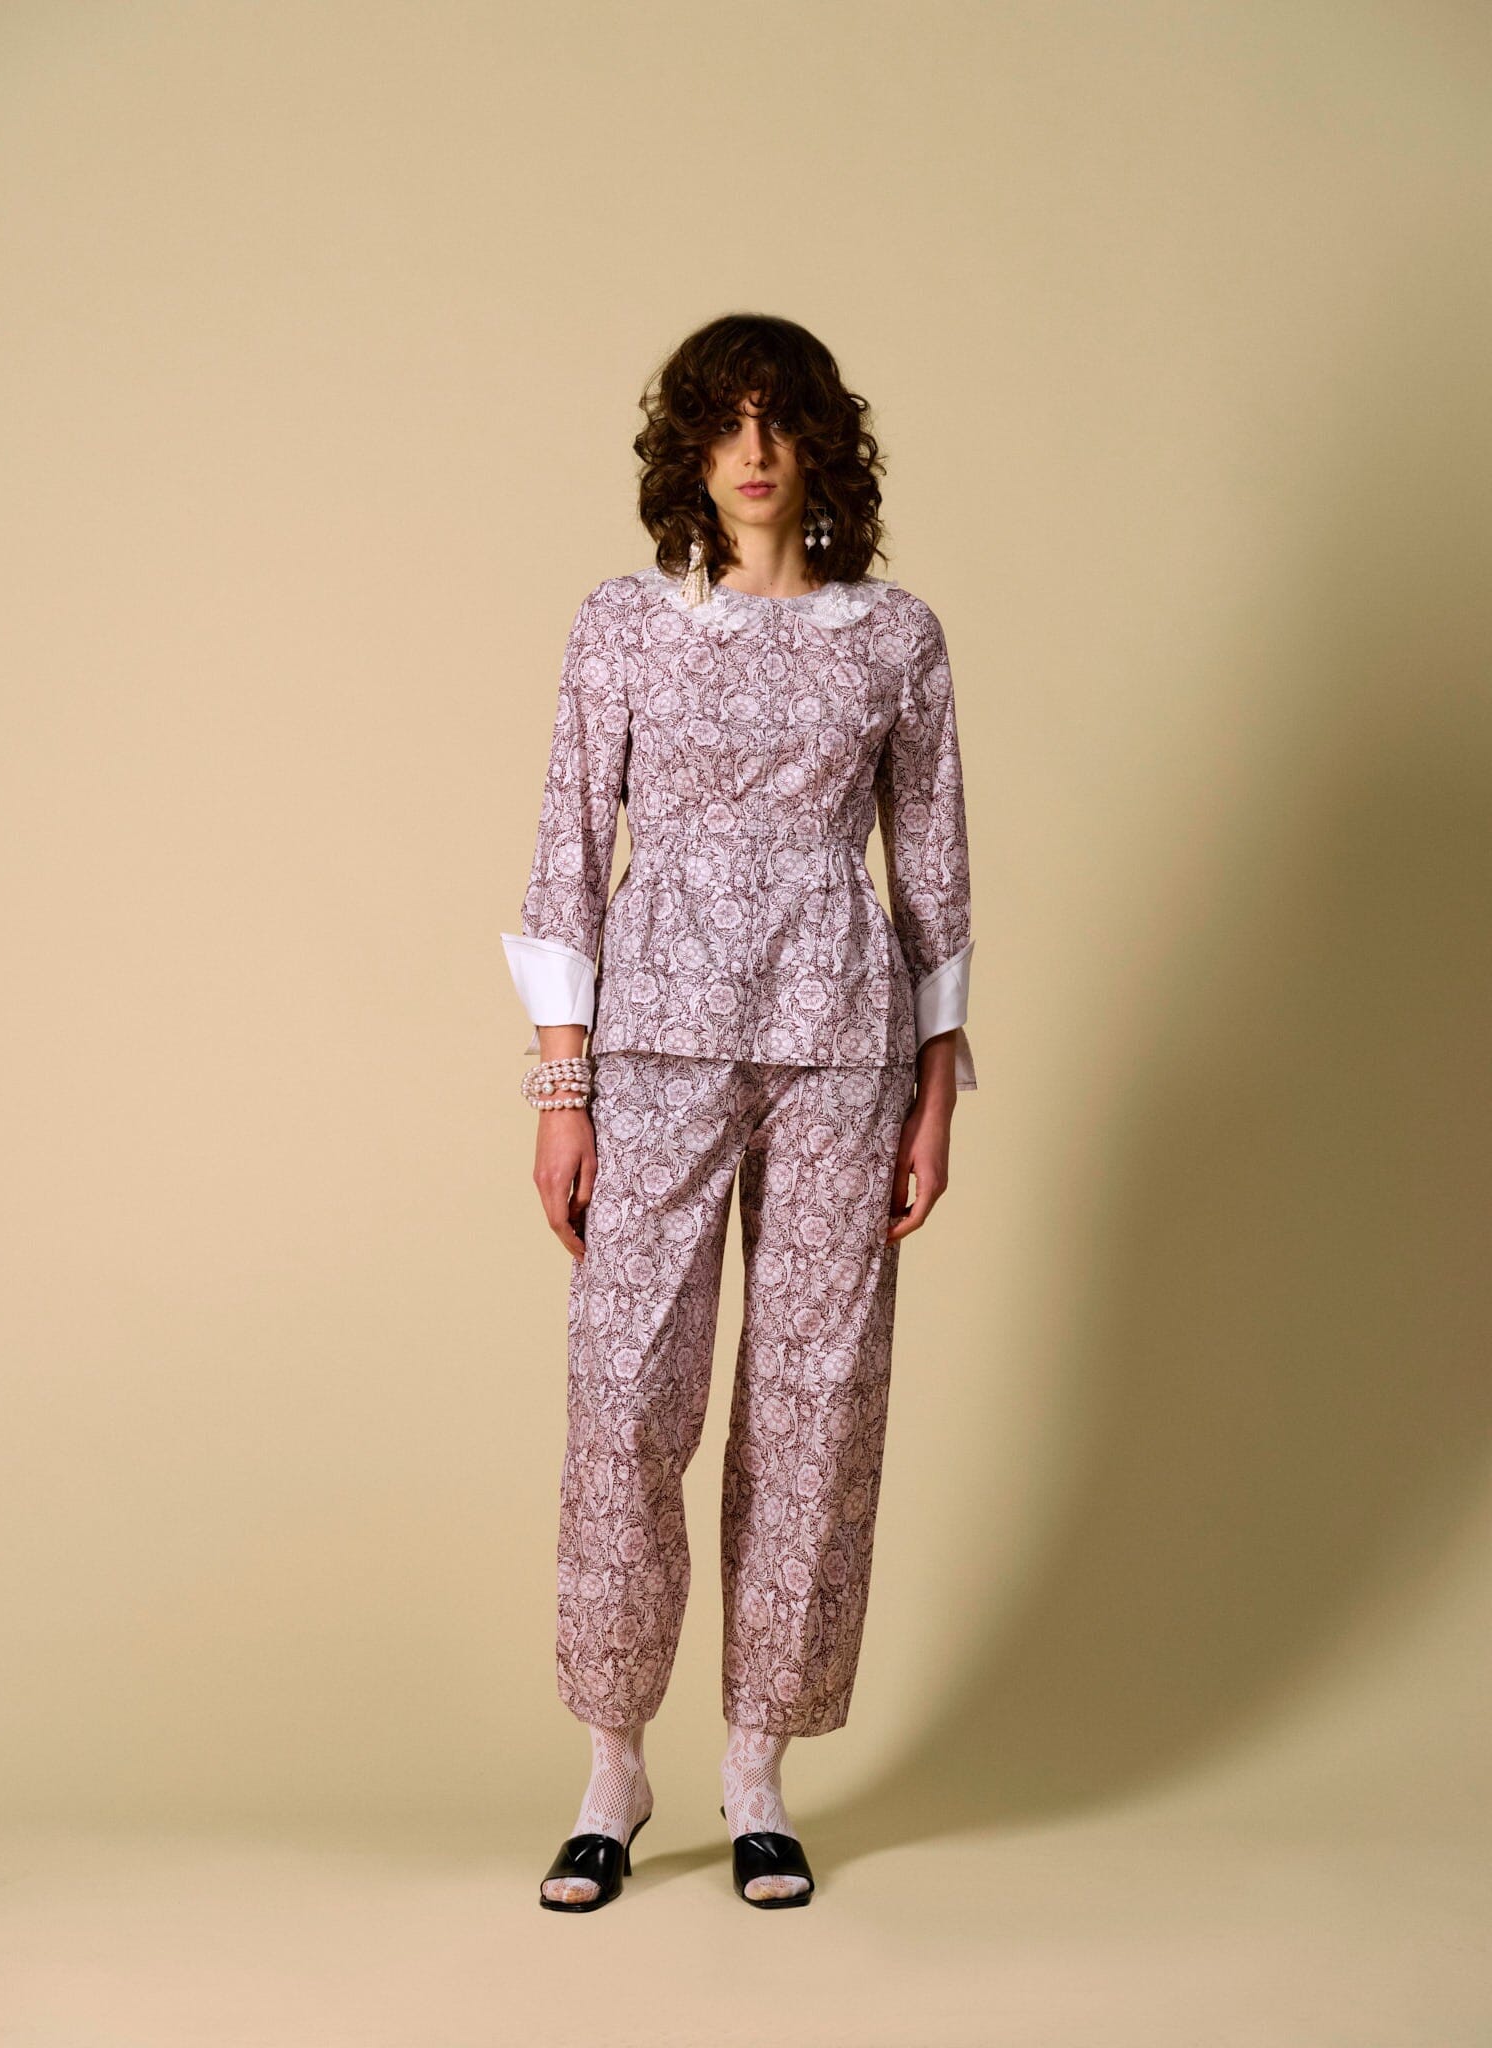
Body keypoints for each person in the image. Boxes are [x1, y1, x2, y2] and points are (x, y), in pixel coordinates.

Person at [500, 312, 975, 1911]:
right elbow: (569, 851)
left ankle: (759, 1770)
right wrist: (560, 1087)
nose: (755, 451)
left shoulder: (894, 637)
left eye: (781, 420)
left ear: (820, 443)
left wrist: (937, 1091)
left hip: (844, 1043)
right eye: (726, 421)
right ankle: (614, 1768)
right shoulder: (624, 625)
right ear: (689, 451)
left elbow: (934, 872)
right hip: (654, 1046)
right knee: (627, 1391)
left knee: (814, 1401)